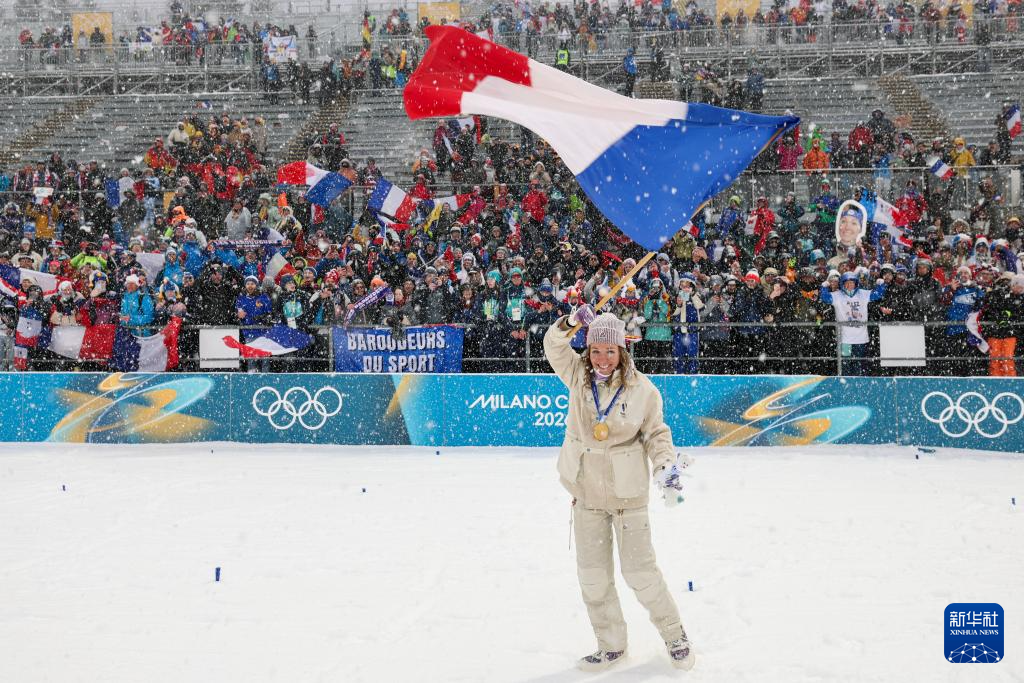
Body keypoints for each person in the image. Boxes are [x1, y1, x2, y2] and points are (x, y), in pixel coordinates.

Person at [543, 308, 695, 672]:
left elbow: (656, 434)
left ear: (622, 350)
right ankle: (611, 645)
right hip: (587, 494)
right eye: (596, 350)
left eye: (610, 351)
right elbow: (553, 345)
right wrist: (571, 322)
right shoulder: (577, 376)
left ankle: (675, 636)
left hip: (629, 496)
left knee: (641, 573)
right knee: (593, 577)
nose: (602, 358)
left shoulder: (643, 390)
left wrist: (664, 466)